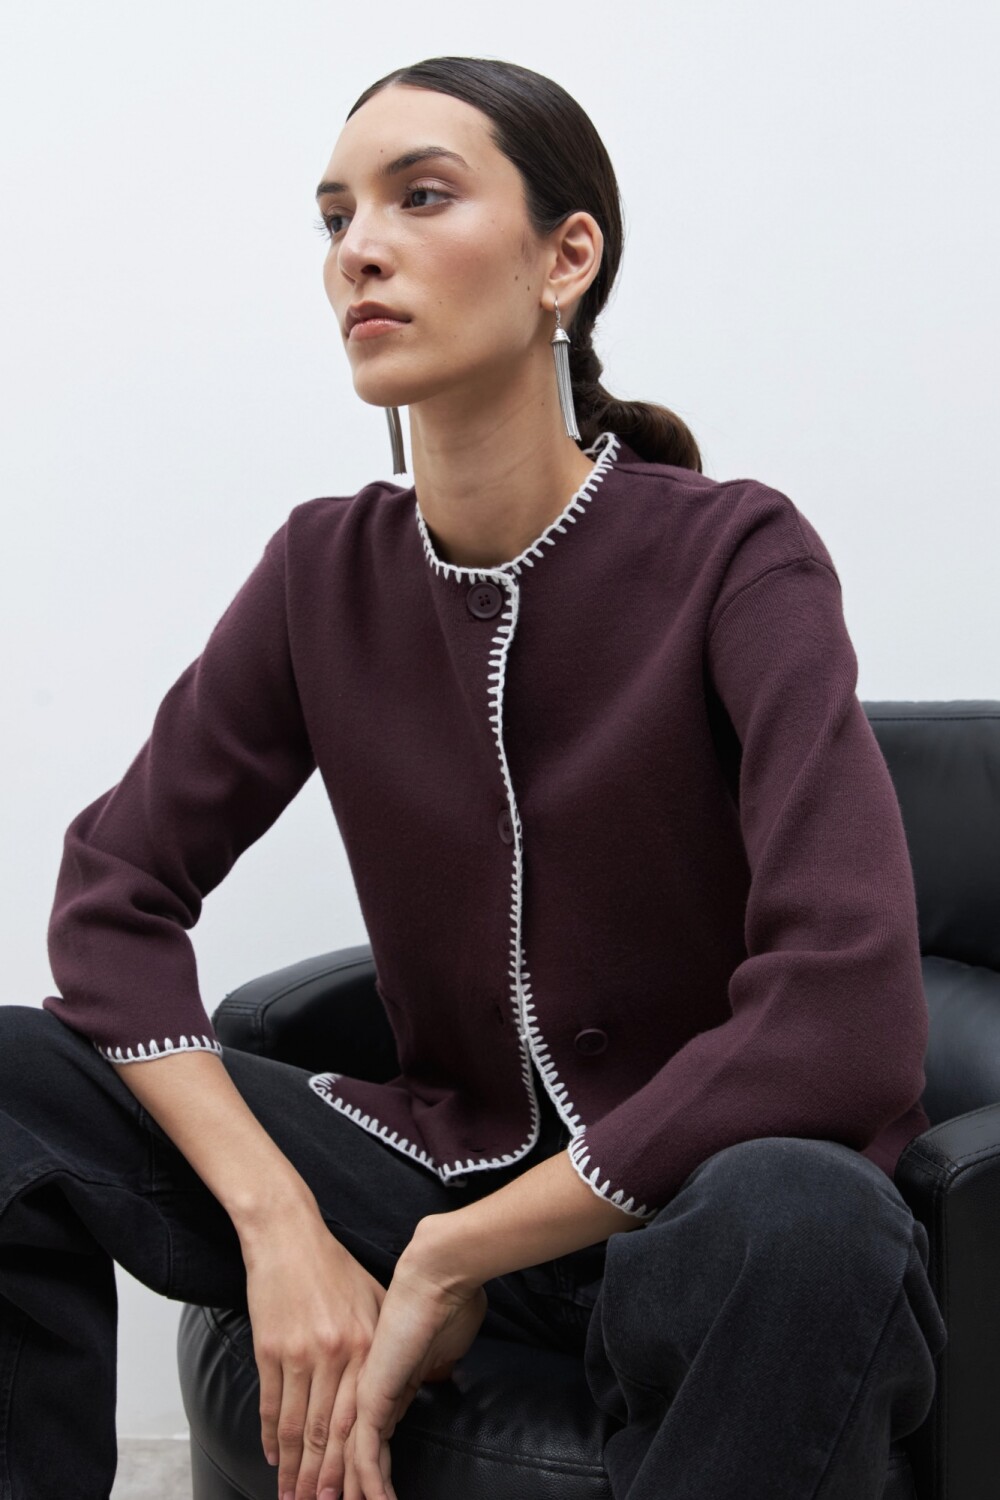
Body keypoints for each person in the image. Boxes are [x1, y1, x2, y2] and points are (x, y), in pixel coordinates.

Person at [0, 53, 947, 1500]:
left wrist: (456, 1257)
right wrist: (280, 1225)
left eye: (422, 197)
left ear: (567, 259)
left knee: (810, 1220)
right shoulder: (323, 570)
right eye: (335, 217)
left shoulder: (737, 556)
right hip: (428, 1166)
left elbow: (849, 1015)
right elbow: (112, 897)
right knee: (15, 1081)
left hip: (693, 1209)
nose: (358, 250)